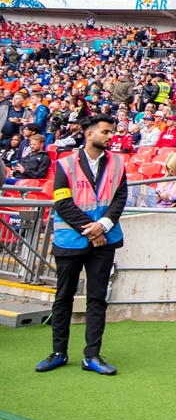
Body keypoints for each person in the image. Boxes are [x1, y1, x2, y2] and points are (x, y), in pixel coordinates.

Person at [35, 114, 126, 376]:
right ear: (89, 134)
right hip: (72, 240)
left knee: (97, 298)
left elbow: (119, 199)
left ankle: (92, 356)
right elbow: (62, 202)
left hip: (104, 239)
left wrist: (103, 227)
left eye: (112, 132)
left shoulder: (119, 162)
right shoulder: (64, 164)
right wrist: (92, 230)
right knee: (63, 297)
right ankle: (58, 352)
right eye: (106, 132)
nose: (110, 136)